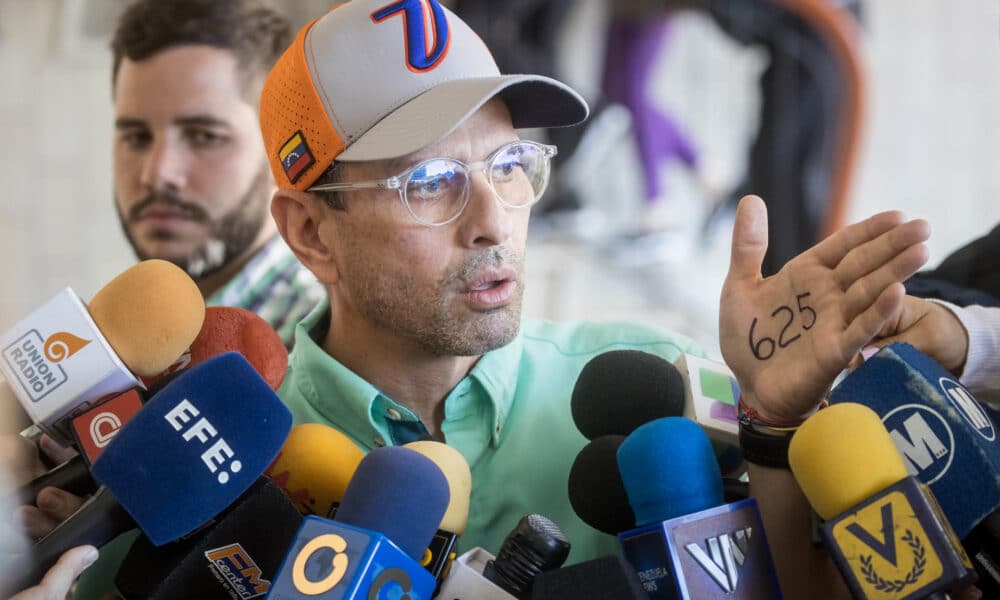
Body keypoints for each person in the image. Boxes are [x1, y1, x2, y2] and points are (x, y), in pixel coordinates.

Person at [257, 0, 930, 580]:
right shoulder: (249, 468)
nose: (493, 223)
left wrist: (774, 431)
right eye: (429, 182)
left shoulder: (658, 385)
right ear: (311, 233)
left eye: (510, 163)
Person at [110, 0, 324, 348]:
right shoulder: (121, 346)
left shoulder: (326, 349)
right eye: (136, 137)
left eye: (204, 137)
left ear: (282, 151)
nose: (158, 173)